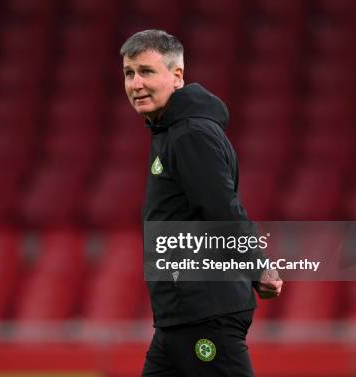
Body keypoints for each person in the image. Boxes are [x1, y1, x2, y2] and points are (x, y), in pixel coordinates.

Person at [121, 30, 283, 377]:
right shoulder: (170, 131)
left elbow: (221, 209)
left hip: (203, 312)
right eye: (129, 73)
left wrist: (257, 266)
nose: (135, 83)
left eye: (146, 71)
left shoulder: (189, 134)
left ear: (177, 76)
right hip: (180, 315)